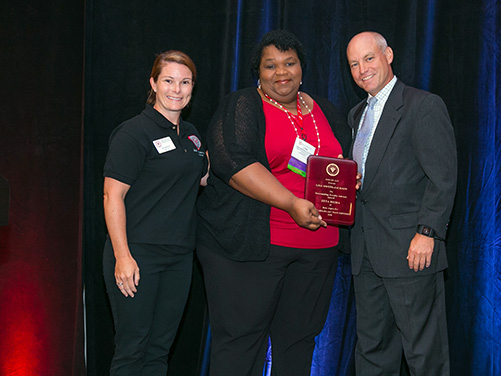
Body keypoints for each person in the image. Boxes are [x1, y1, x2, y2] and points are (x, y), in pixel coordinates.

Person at [196, 30, 352, 376]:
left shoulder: (324, 109)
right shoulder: (243, 105)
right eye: (271, 66)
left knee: (298, 343)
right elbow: (232, 164)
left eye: (289, 63)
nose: (281, 72)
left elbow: (340, 162)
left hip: (317, 249)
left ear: (302, 68)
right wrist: (291, 203)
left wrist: (349, 180)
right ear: (258, 73)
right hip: (252, 250)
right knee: (241, 343)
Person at [346, 31, 458, 375]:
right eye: (353, 63)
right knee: (372, 351)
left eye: (369, 58)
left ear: (388, 55)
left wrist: (428, 232)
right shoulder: (356, 115)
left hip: (411, 252)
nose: (362, 69)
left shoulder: (422, 106)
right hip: (366, 253)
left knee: (424, 354)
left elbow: (443, 176)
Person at [102, 50, 209, 375]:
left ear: (192, 87)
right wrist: (123, 256)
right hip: (138, 256)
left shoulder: (190, 134)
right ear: (153, 83)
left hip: (178, 259)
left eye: (185, 82)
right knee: (133, 350)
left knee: (159, 351)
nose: (176, 89)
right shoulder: (134, 133)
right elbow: (111, 196)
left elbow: (202, 175)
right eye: (168, 81)